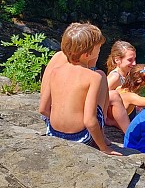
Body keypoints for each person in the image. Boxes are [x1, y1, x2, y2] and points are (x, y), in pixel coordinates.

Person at [39, 22, 120, 155]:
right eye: (98, 49)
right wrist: (104, 148)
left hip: (53, 132)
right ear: (87, 54)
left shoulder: (56, 71)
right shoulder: (93, 77)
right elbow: (89, 121)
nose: (100, 51)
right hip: (80, 138)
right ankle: (102, 135)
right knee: (100, 75)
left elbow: (43, 109)